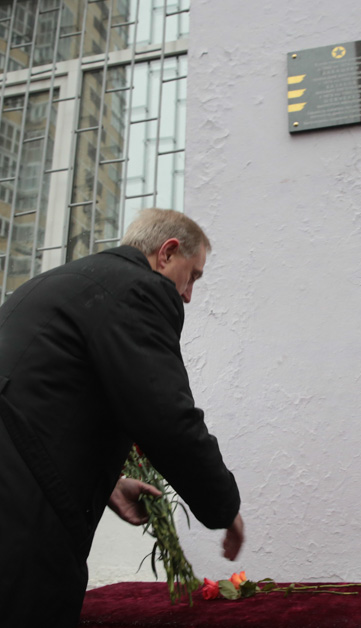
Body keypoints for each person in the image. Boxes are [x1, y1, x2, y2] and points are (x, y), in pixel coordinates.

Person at [0, 208, 245, 627]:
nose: (188, 294)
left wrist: (110, 482)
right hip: (24, 517)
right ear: (167, 253)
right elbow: (167, 418)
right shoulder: (140, 288)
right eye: (193, 276)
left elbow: (38, 399)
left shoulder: (55, 282)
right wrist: (225, 507)